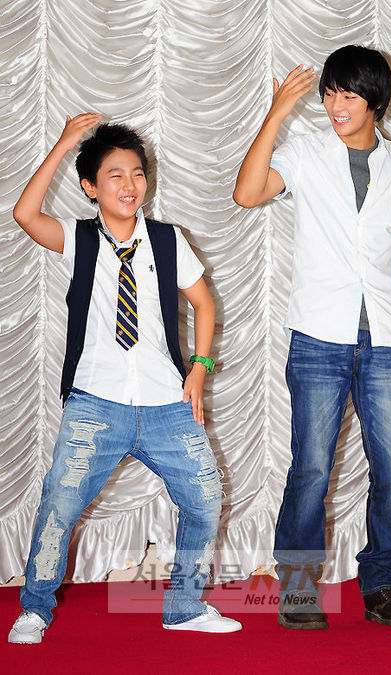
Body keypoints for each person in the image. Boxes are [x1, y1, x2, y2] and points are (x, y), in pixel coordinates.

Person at [8, 116, 242, 643]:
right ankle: (35, 609)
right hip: (96, 401)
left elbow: (204, 304)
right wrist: (65, 144)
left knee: (205, 498)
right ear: (90, 187)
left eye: (137, 173)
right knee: (59, 503)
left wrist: (199, 369)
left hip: (166, 401)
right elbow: (25, 215)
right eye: (114, 175)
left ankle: (185, 606)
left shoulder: (167, 240)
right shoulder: (79, 237)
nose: (130, 184)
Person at [233, 45, 391, 630]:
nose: (336, 105)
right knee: (312, 467)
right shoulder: (304, 152)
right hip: (318, 335)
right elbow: (246, 193)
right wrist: (276, 113)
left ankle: (383, 585)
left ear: (376, 101)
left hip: (388, 339)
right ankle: (297, 588)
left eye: (349, 94)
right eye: (329, 93)